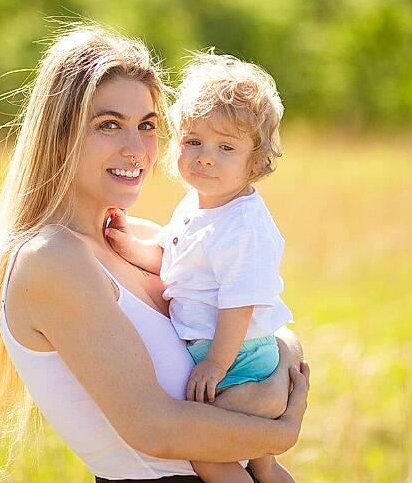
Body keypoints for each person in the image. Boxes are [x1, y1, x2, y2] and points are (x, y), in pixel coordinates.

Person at [0, 25, 309, 482]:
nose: (135, 149)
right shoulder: (52, 260)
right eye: (109, 124)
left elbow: (265, 323)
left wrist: (282, 371)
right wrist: (279, 427)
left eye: (146, 126)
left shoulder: (143, 238)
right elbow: (154, 426)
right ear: (60, 135)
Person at [105, 53, 294, 483]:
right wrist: (128, 244)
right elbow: (175, 266)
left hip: (239, 358)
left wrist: (214, 365)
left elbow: (239, 304)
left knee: (207, 453)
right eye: (194, 142)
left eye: (226, 147)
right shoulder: (197, 205)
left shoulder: (243, 224)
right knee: (260, 458)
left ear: (257, 161)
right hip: (221, 353)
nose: (205, 157)